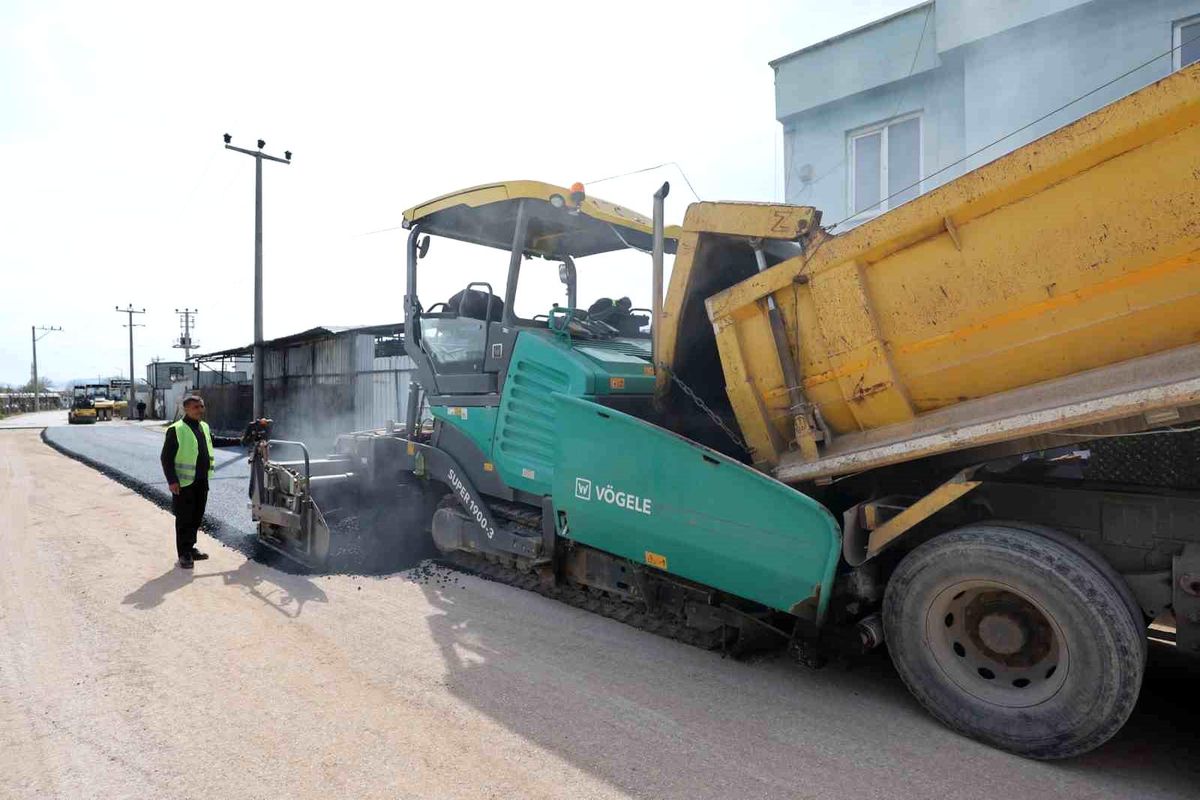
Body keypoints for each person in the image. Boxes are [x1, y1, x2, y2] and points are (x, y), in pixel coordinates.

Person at [159, 395, 244, 569]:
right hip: (184, 483)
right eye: (196, 407)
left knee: (197, 515)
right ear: (186, 409)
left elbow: (214, 440)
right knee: (184, 518)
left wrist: (240, 440)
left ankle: (190, 548)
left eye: (201, 406)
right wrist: (172, 480)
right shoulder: (176, 429)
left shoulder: (203, 426)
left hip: (201, 480)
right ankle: (184, 554)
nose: (200, 410)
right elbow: (166, 458)